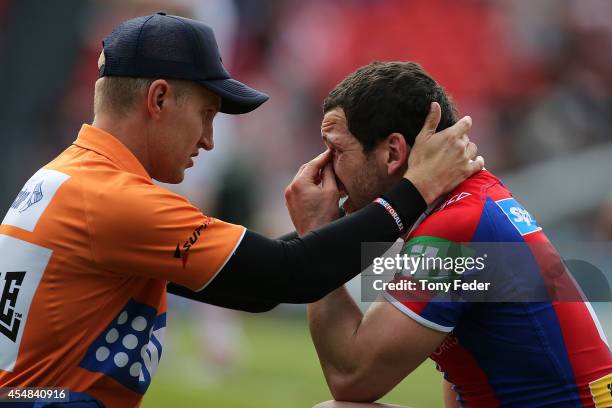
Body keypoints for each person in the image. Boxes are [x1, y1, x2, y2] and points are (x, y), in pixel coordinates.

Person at [0, 14, 483, 408]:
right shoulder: (113, 200)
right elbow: (279, 279)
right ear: (160, 99)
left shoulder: (70, 176)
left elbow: (261, 282)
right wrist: (415, 191)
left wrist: (322, 227)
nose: (209, 140)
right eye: (207, 115)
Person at [305, 62, 612, 408]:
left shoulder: (455, 229)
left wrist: (316, 233)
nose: (321, 168)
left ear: (392, 153)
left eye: (337, 150)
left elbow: (352, 378)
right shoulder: (464, 206)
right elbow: (466, 375)